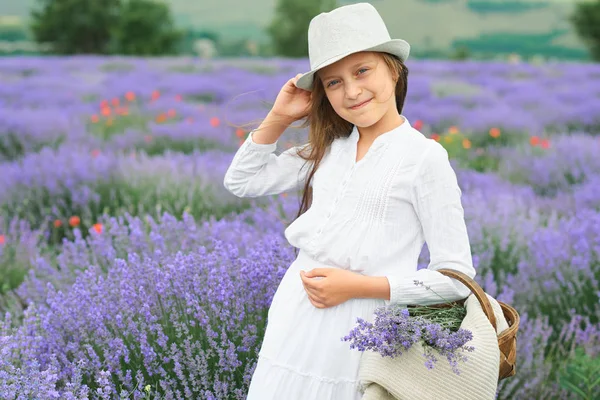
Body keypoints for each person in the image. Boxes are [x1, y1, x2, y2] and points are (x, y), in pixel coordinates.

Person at [223, 3, 476, 399]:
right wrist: (279, 116)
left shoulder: (424, 158)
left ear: (393, 68)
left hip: (363, 330)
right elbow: (242, 180)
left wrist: (358, 286)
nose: (352, 91)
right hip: (294, 315)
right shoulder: (329, 147)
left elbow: (456, 278)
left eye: (362, 71)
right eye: (333, 82)